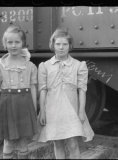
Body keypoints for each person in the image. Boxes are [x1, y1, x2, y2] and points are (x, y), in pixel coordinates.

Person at [34, 28, 94, 159]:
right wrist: (42, 111)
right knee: (58, 143)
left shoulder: (79, 66)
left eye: (65, 44)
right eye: (58, 44)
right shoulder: (45, 66)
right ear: (53, 45)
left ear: (70, 46)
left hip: (71, 110)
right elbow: (43, 90)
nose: (61, 47)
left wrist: (81, 111)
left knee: (73, 144)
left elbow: (82, 89)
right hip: (53, 110)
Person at [0, 26, 38, 159]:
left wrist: (34, 110)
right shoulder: (0, 66)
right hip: (6, 105)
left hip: (24, 105)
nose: (13, 45)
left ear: (23, 43)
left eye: (17, 42)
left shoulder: (30, 66)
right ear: (5, 44)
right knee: (8, 141)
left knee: (24, 141)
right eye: (10, 42)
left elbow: (33, 88)